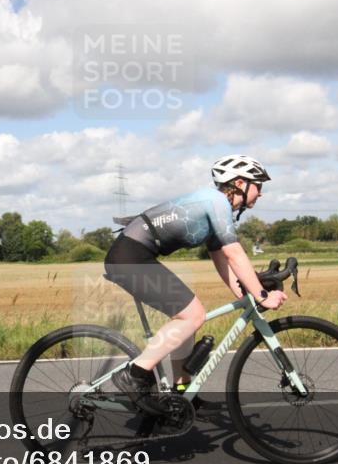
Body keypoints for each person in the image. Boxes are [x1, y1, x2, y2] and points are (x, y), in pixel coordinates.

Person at [105, 154, 287, 413]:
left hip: (135, 255)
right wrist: (262, 295)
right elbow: (235, 253)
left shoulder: (216, 206)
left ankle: (182, 394)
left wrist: (245, 293)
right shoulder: (217, 203)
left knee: (187, 319)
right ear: (239, 183)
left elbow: (221, 258)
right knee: (192, 315)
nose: (261, 192)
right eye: (258, 185)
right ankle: (134, 374)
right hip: (129, 257)